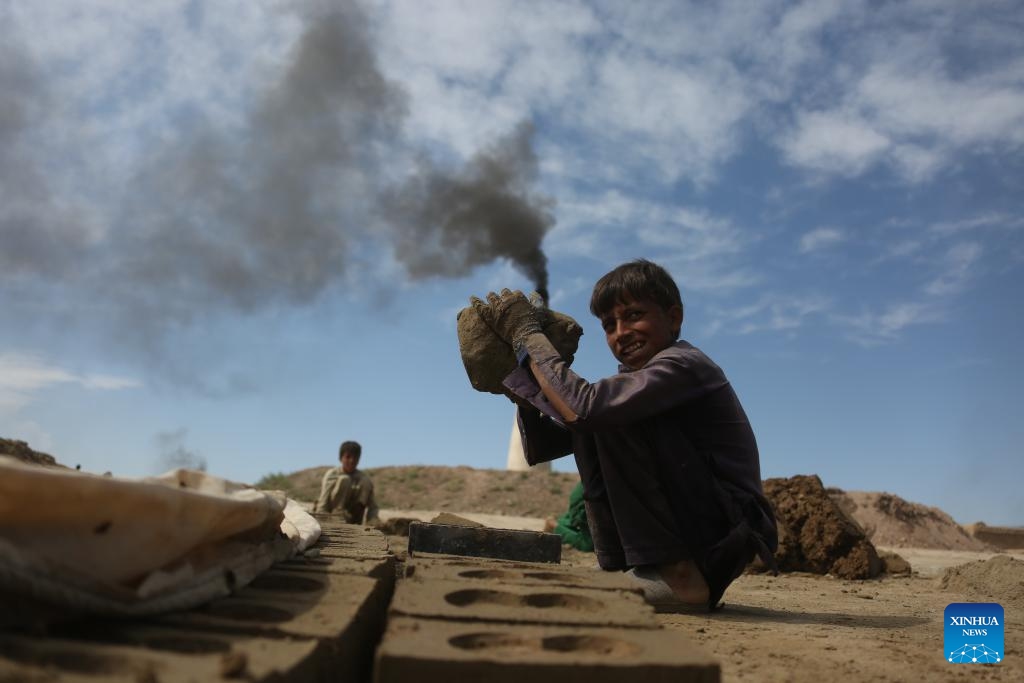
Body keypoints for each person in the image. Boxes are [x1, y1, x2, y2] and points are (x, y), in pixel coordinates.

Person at [471, 259, 777, 611]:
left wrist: (529, 339)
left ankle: (679, 576)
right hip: (707, 529)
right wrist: (525, 381)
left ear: (674, 318)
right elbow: (547, 443)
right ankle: (631, 569)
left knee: (599, 411)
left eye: (633, 316)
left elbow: (586, 408)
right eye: (609, 325)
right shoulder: (635, 384)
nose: (621, 332)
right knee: (593, 415)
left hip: (723, 534)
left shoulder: (685, 364)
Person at [313, 440, 381, 526]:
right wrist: (321, 519)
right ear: (341, 458)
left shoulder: (363, 478)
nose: (352, 461)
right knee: (344, 480)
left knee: (365, 482)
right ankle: (337, 516)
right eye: (348, 457)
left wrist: (374, 522)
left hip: (354, 519)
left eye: (355, 458)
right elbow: (323, 500)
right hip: (332, 517)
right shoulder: (332, 474)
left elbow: (373, 506)